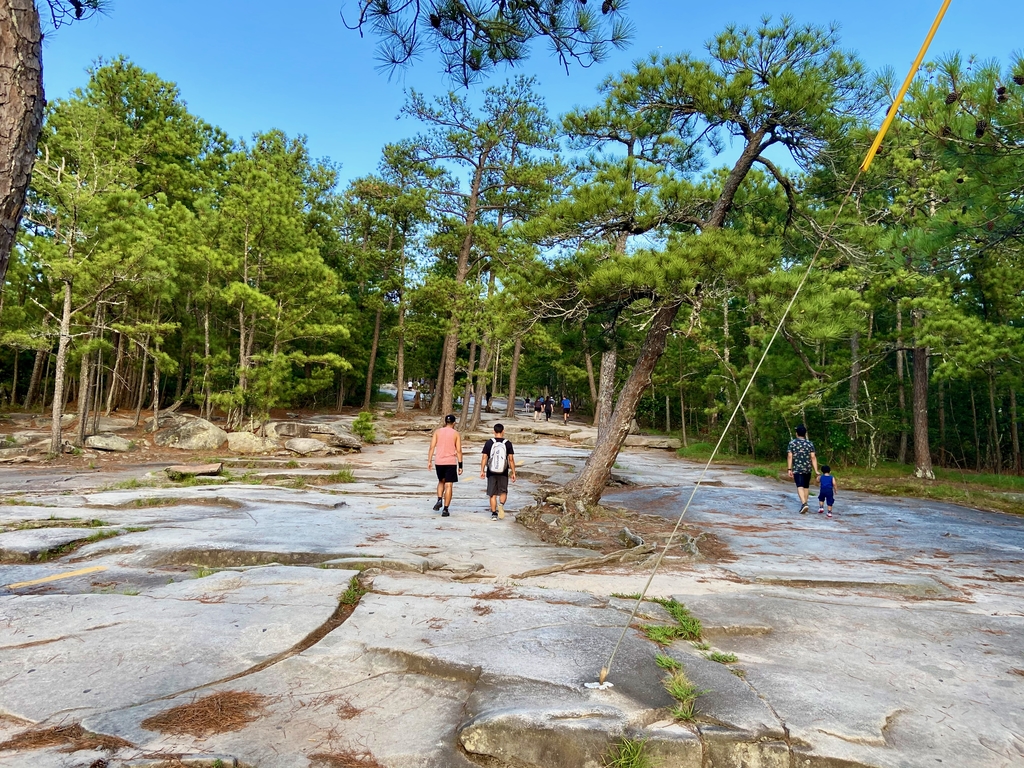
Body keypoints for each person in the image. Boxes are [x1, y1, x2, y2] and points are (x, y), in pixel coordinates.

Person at [427, 414, 463, 517]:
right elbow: (459, 450)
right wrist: (460, 465)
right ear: (454, 423)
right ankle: (446, 509)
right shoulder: (456, 434)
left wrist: (429, 461)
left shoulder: (437, 432)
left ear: (445, 422)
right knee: (449, 485)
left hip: (439, 461)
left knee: (441, 481)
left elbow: (432, 447)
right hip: (450, 462)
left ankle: (439, 499)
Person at [480, 423, 516, 520]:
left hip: (491, 471)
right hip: (503, 471)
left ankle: (494, 514)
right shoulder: (507, 443)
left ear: (494, 432)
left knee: (492, 493)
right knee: (503, 491)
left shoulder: (489, 443)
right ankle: (501, 505)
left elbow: (484, 457)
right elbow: (511, 459)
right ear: (503, 431)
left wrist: (482, 470)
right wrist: (513, 472)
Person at [787, 424, 819, 514]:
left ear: (797, 433)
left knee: (799, 486)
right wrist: (816, 470)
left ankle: (804, 503)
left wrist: (789, 469)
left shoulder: (792, 443)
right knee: (806, 486)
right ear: (805, 434)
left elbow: (790, 456)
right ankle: (805, 503)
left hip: (797, 468)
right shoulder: (810, 444)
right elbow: (813, 457)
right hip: (807, 468)